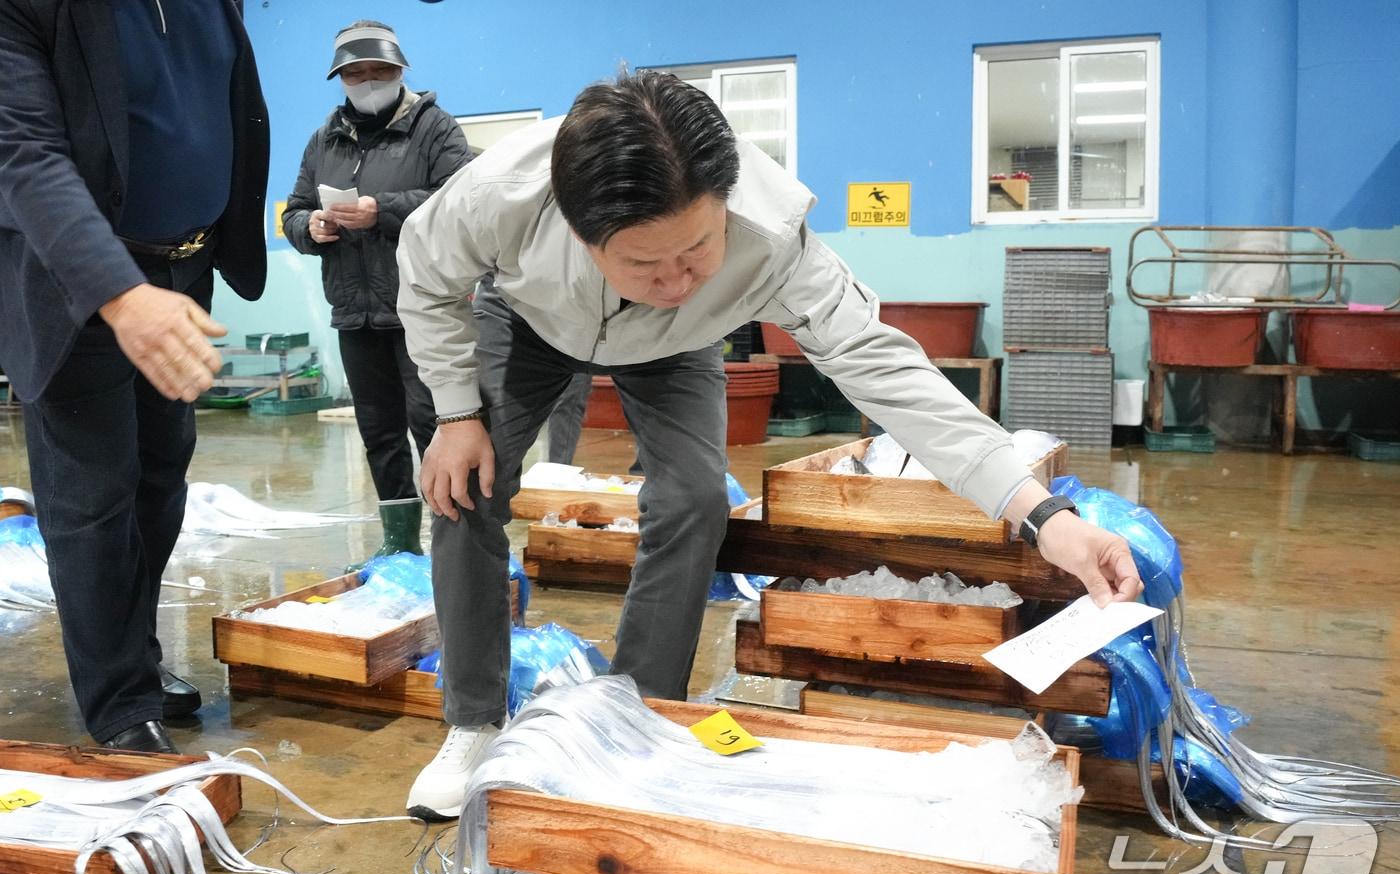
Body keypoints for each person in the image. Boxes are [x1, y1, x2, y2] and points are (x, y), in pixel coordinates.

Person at [395, 70, 1142, 819]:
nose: (675, 278)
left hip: (675, 348)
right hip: (529, 320)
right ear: (580, 230)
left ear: (724, 206)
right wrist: (456, 412)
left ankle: (638, 714)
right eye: (643, 262)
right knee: (462, 486)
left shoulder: (773, 237)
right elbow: (424, 271)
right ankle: (473, 721)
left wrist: (1047, 518)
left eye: (696, 249)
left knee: (691, 496)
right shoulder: (504, 193)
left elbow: (886, 368)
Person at [0, 0, 269, 752]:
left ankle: (136, 662)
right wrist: (120, 293)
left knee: (159, 479)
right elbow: (23, 154)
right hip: (75, 285)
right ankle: (120, 703)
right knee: (93, 500)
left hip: (185, 268)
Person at [283, 21, 471, 560]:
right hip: (355, 312)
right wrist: (311, 227)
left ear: (400, 71)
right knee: (378, 432)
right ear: (340, 79)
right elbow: (294, 210)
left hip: (423, 309)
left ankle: (456, 542)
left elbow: (459, 200)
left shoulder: (434, 128)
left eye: (380, 72)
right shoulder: (324, 139)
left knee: (433, 425)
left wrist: (380, 211)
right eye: (355, 75)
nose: (368, 82)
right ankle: (399, 544)